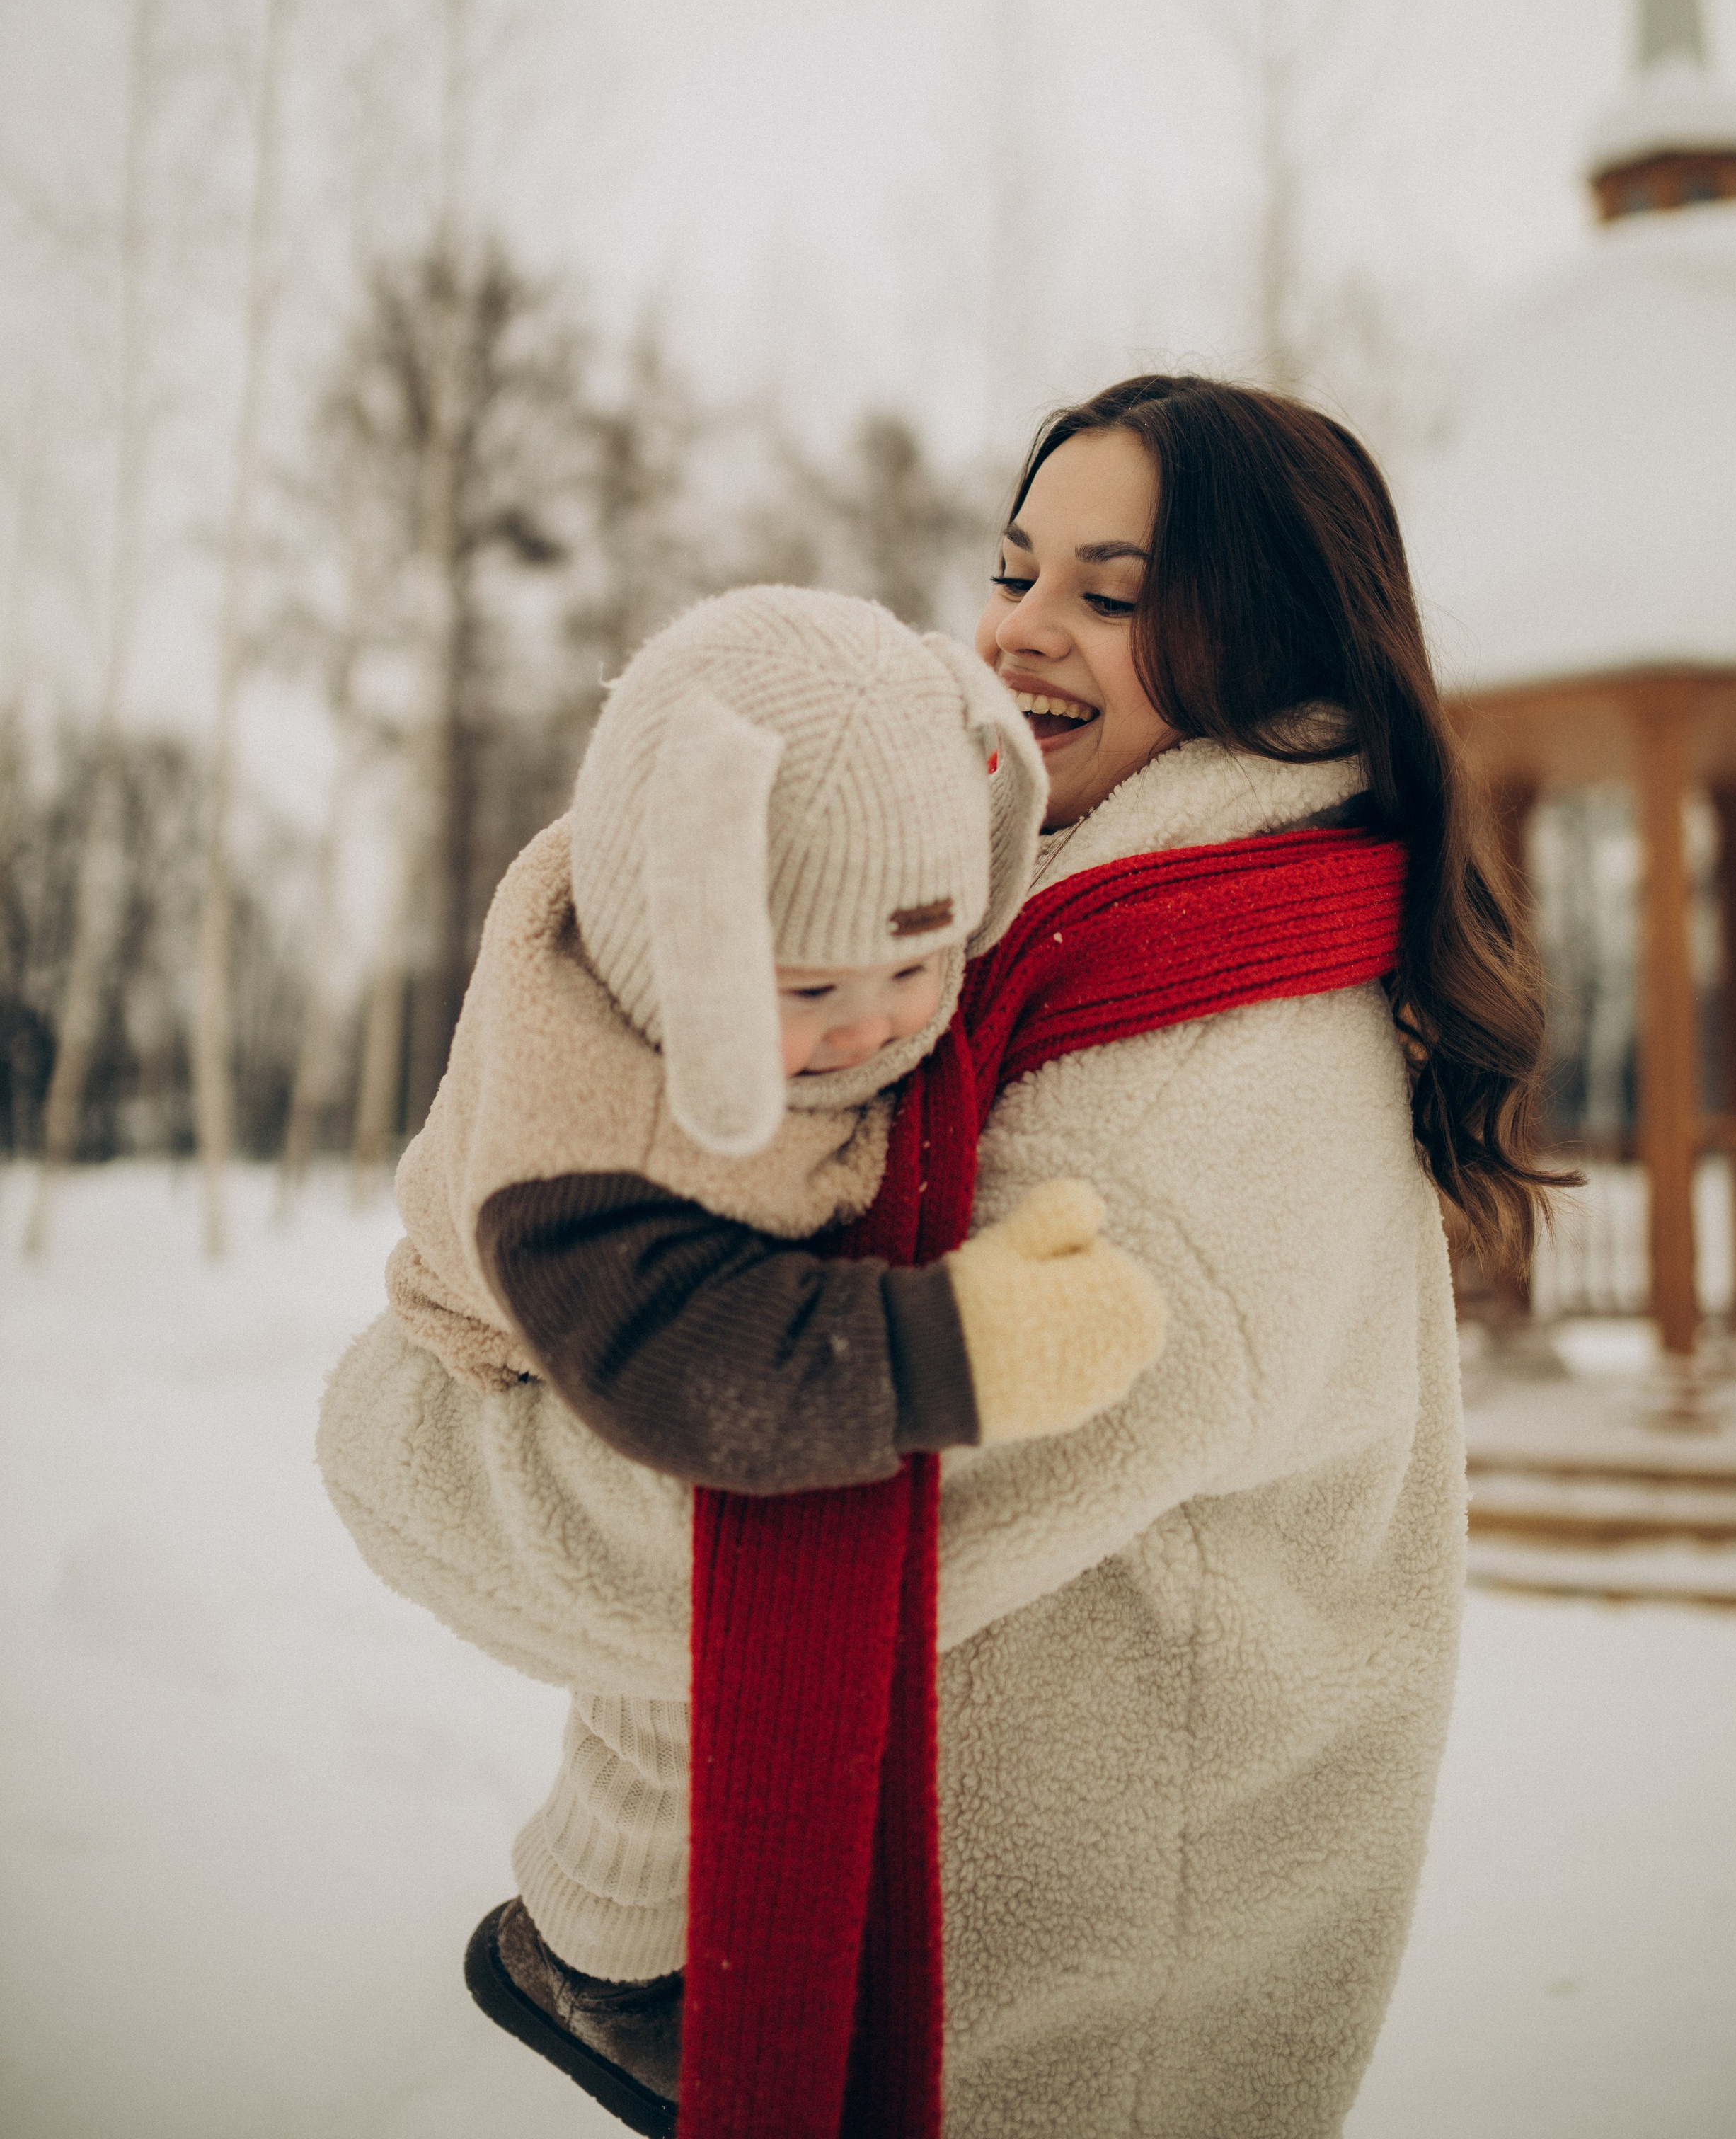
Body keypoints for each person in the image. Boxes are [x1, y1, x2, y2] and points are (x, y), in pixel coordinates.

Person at [321, 374, 1558, 2136]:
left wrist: (394, 1421)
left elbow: (732, 1536)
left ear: (1270, 651)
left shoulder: (1180, 1094)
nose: (1020, 631)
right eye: (1015, 567)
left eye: (1109, 594)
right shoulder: (1086, 943)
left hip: (1050, 2066)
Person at [345, 583, 1164, 2128]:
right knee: (672, 1710)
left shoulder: (811, 938)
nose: (870, 1032)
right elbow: (692, 1366)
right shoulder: (580, 1150)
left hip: (700, 1245)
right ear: (690, 940)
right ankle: (574, 1958)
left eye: (915, 973)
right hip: (536, 1357)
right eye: (805, 994)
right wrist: (965, 1345)